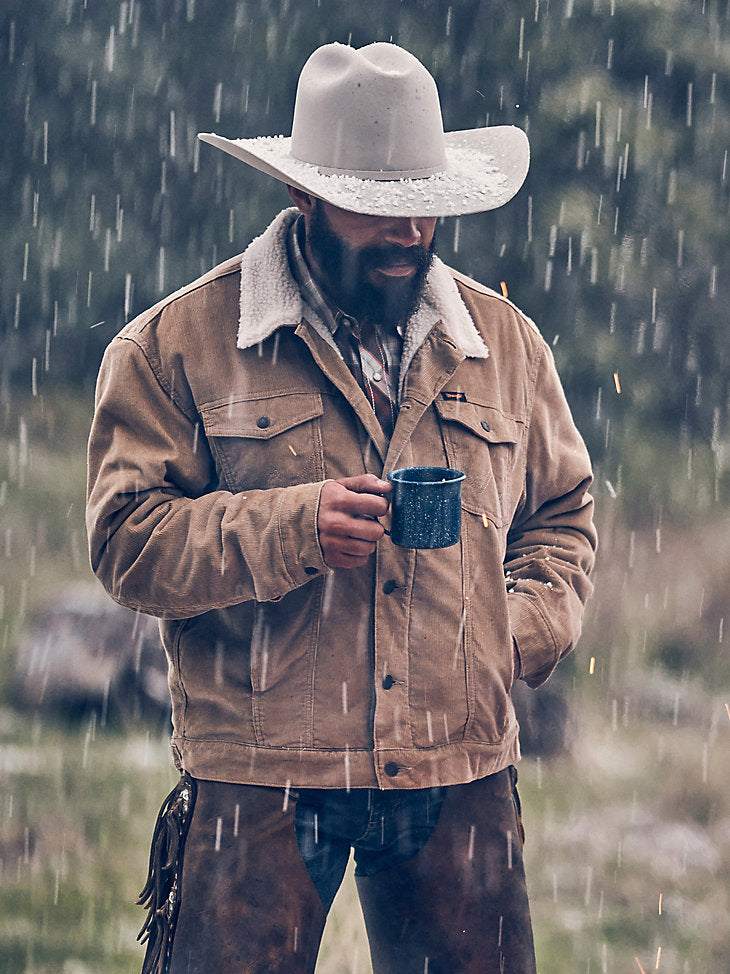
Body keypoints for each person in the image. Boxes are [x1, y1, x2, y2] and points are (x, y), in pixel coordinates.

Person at [86, 41, 597, 974]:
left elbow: (563, 516)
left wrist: (506, 633)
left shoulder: (508, 344)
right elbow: (127, 542)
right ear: (304, 198)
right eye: (377, 208)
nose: (408, 234)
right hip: (259, 770)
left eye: (424, 206)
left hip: (460, 765)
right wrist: (289, 529)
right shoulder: (177, 343)